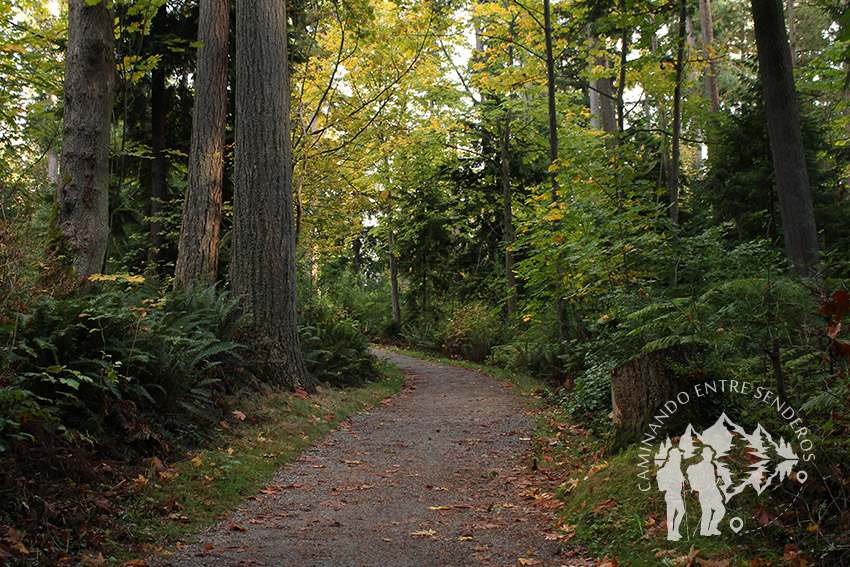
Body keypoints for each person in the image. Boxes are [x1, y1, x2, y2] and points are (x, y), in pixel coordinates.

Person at [687, 446, 725, 536]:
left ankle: (710, 529)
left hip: (711, 491)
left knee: (717, 510)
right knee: (710, 511)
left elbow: (711, 480)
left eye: (710, 454)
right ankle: (706, 530)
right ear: (704, 456)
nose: (709, 456)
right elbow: (704, 480)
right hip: (705, 492)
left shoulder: (710, 466)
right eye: (707, 455)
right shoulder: (702, 466)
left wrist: (717, 482)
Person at [657, 448, 686, 541]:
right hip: (671, 493)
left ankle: (675, 531)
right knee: (672, 513)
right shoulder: (670, 467)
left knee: (680, 512)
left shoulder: (676, 466)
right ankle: (670, 533)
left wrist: (683, 481)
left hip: (676, 493)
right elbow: (670, 481)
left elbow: (680, 478)